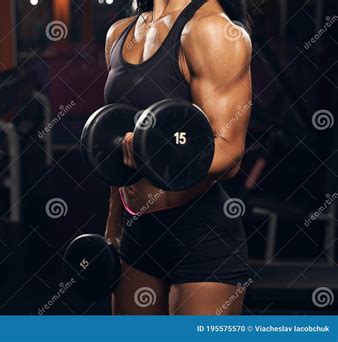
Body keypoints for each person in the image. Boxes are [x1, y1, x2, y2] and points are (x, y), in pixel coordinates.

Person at [103, 0, 252, 315]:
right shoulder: (120, 33)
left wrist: (150, 153)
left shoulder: (211, 30)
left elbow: (229, 153)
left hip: (199, 234)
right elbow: (114, 143)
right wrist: (113, 227)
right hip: (137, 231)